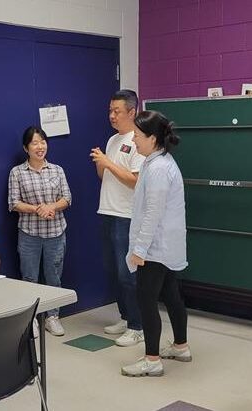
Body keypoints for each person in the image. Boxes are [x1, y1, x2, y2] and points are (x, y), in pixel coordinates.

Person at [121, 110, 190, 377]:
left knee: (146, 299)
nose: (134, 140)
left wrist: (139, 250)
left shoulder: (159, 168)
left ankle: (152, 360)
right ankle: (181, 347)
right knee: (171, 295)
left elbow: (153, 213)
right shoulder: (158, 160)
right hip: (164, 245)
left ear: (153, 138)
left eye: (138, 136)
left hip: (155, 247)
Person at [90, 90, 145, 347]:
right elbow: (105, 177)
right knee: (112, 270)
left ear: (132, 112)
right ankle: (125, 317)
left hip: (126, 216)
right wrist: (101, 164)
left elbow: (135, 181)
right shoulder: (113, 140)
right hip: (108, 212)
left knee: (127, 273)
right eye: (110, 110)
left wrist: (108, 163)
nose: (112, 115)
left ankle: (138, 326)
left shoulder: (138, 141)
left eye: (117, 111)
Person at [8, 126, 72, 336]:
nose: (40, 146)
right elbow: (14, 203)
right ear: (26, 148)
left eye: (42, 142)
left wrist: (51, 207)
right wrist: (37, 209)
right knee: (29, 278)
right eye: (35, 143)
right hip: (29, 234)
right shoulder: (17, 172)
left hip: (55, 232)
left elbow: (67, 198)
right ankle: (32, 319)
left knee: (54, 277)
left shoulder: (57, 170)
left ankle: (52, 317)